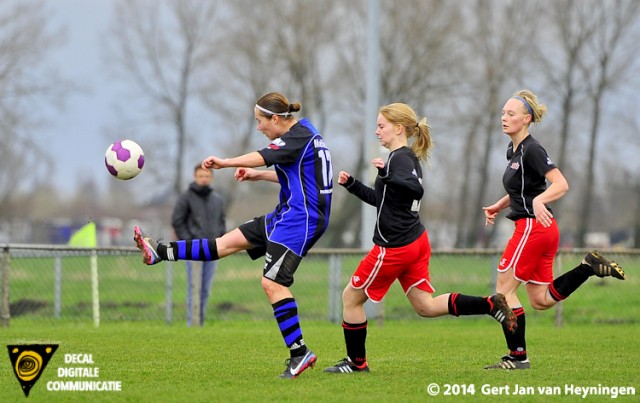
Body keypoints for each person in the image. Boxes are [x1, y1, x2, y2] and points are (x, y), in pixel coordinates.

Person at [134, 92, 333, 379]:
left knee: (272, 284)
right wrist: (258, 176)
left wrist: (225, 162)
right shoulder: (306, 132)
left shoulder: (295, 137)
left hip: (301, 219)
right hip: (287, 213)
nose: (258, 128)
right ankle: (159, 252)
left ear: (276, 119)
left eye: (259, 121)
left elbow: (264, 157)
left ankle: (299, 353)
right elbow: (299, 174)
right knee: (226, 243)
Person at [323, 103, 517, 375]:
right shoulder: (402, 158)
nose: (377, 131)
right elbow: (383, 201)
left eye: (381, 126)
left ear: (399, 128)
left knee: (351, 298)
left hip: (395, 247)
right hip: (415, 242)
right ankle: (489, 304)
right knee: (425, 306)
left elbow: (414, 188)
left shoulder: (400, 159)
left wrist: (386, 174)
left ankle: (357, 363)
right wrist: (353, 185)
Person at [482, 89, 626, 370]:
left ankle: (518, 357)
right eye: (502, 113)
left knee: (504, 291)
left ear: (526, 119)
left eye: (510, 114)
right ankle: (587, 266)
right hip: (542, 230)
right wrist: (499, 206)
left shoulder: (532, 149)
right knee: (540, 300)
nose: (504, 117)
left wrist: (539, 200)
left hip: (532, 229)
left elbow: (560, 184)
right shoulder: (513, 150)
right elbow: (523, 189)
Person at [172, 164, 226, 327]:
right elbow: (177, 222)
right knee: (194, 287)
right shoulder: (185, 197)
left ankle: (200, 322)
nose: (204, 179)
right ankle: (192, 323)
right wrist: (189, 243)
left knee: (205, 289)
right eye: (201, 176)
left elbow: (221, 222)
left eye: (207, 176)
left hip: (212, 250)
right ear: (195, 176)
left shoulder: (217, 199)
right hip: (194, 250)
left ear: (211, 178)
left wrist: (220, 239)